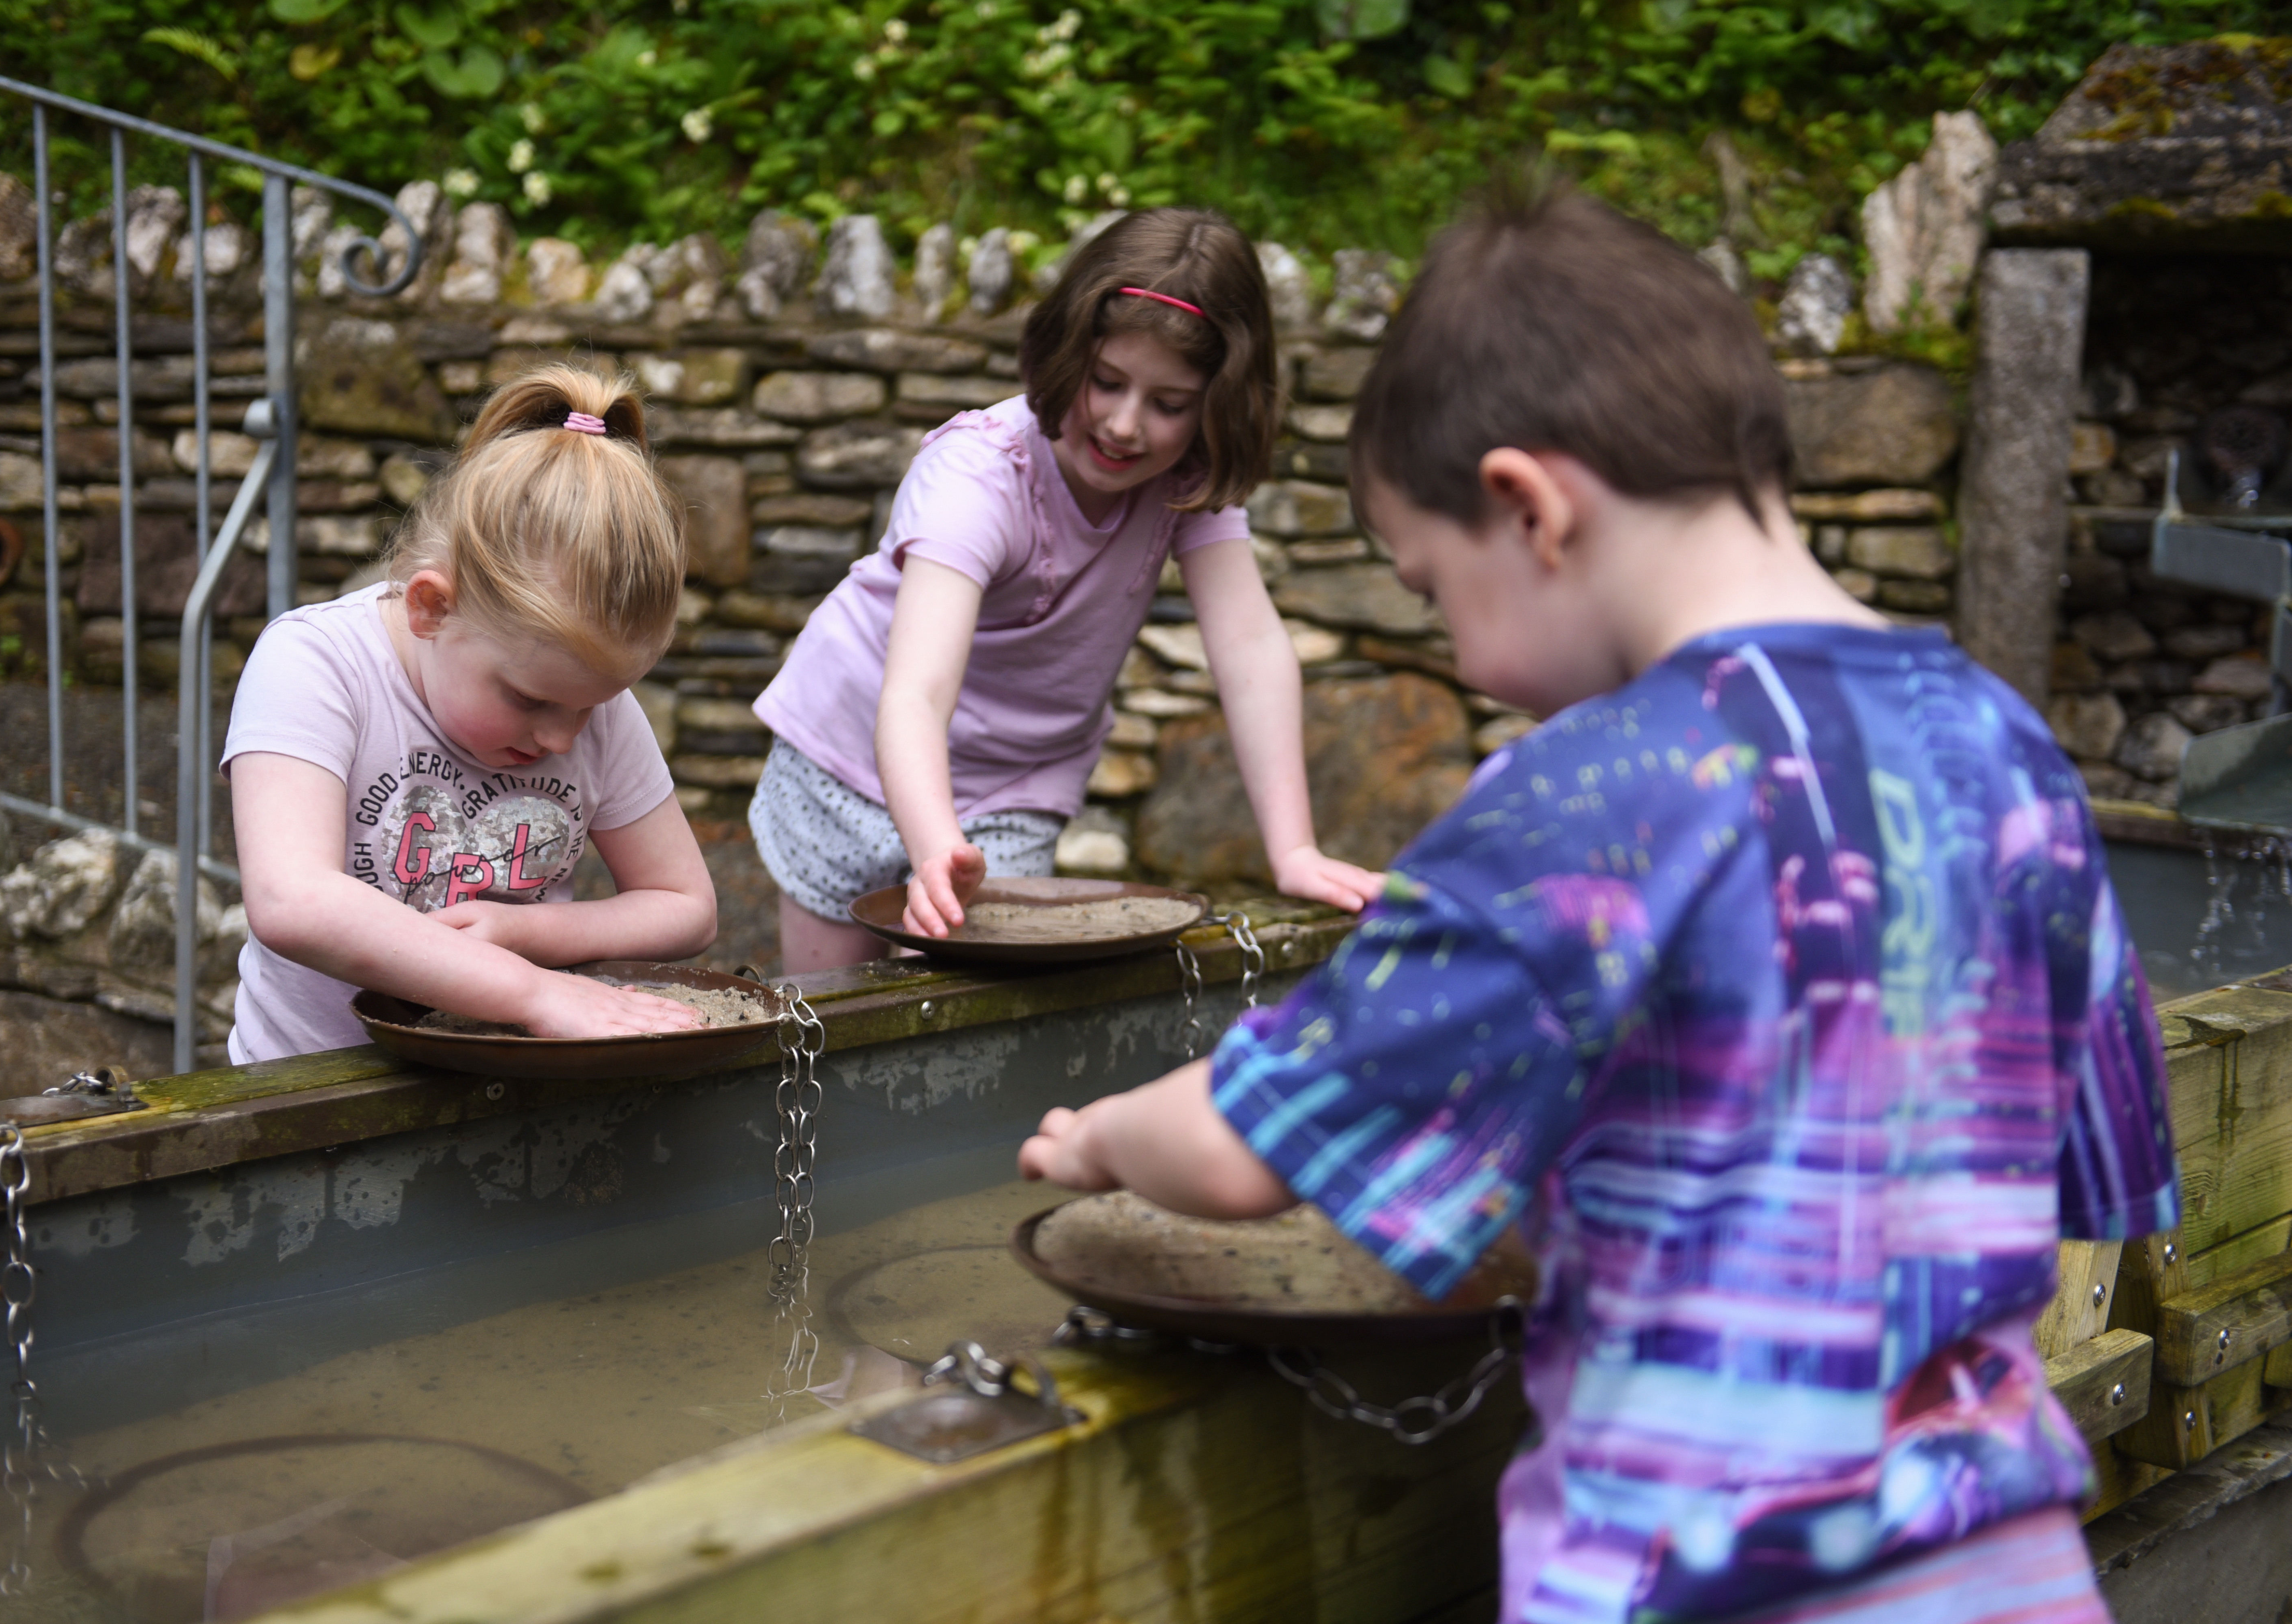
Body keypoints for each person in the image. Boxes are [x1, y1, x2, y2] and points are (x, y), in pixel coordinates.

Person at [1018, 182, 2180, 1624]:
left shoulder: (1592, 795)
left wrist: (1104, 1137)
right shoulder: (2005, 746)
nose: (1463, 647)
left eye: (1433, 587)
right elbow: (2078, 1170)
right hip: (2009, 1576)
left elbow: (1248, 1147)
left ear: (1528, 506)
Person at [749, 207, 1384, 971]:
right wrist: (934, 846)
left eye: (1170, 404)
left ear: (1217, 404)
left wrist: (1295, 850)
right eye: (1107, 382)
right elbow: (914, 693)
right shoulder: (979, 478)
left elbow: (1249, 645)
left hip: (1014, 789)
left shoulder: (1184, 483)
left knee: (983, 1019)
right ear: (1065, 353)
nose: (1125, 424)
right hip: (847, 754)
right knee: (829, 1016)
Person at [224, 365, 718, 1062]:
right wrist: (534, 993)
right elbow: (291, 900)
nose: (562, 736)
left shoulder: (587, 701)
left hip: (514, 1096)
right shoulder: (317, 663)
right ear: (433, 607)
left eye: (592, 706)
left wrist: (527, 934)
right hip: (312, 1101)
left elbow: (686, 904)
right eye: (530, 700)